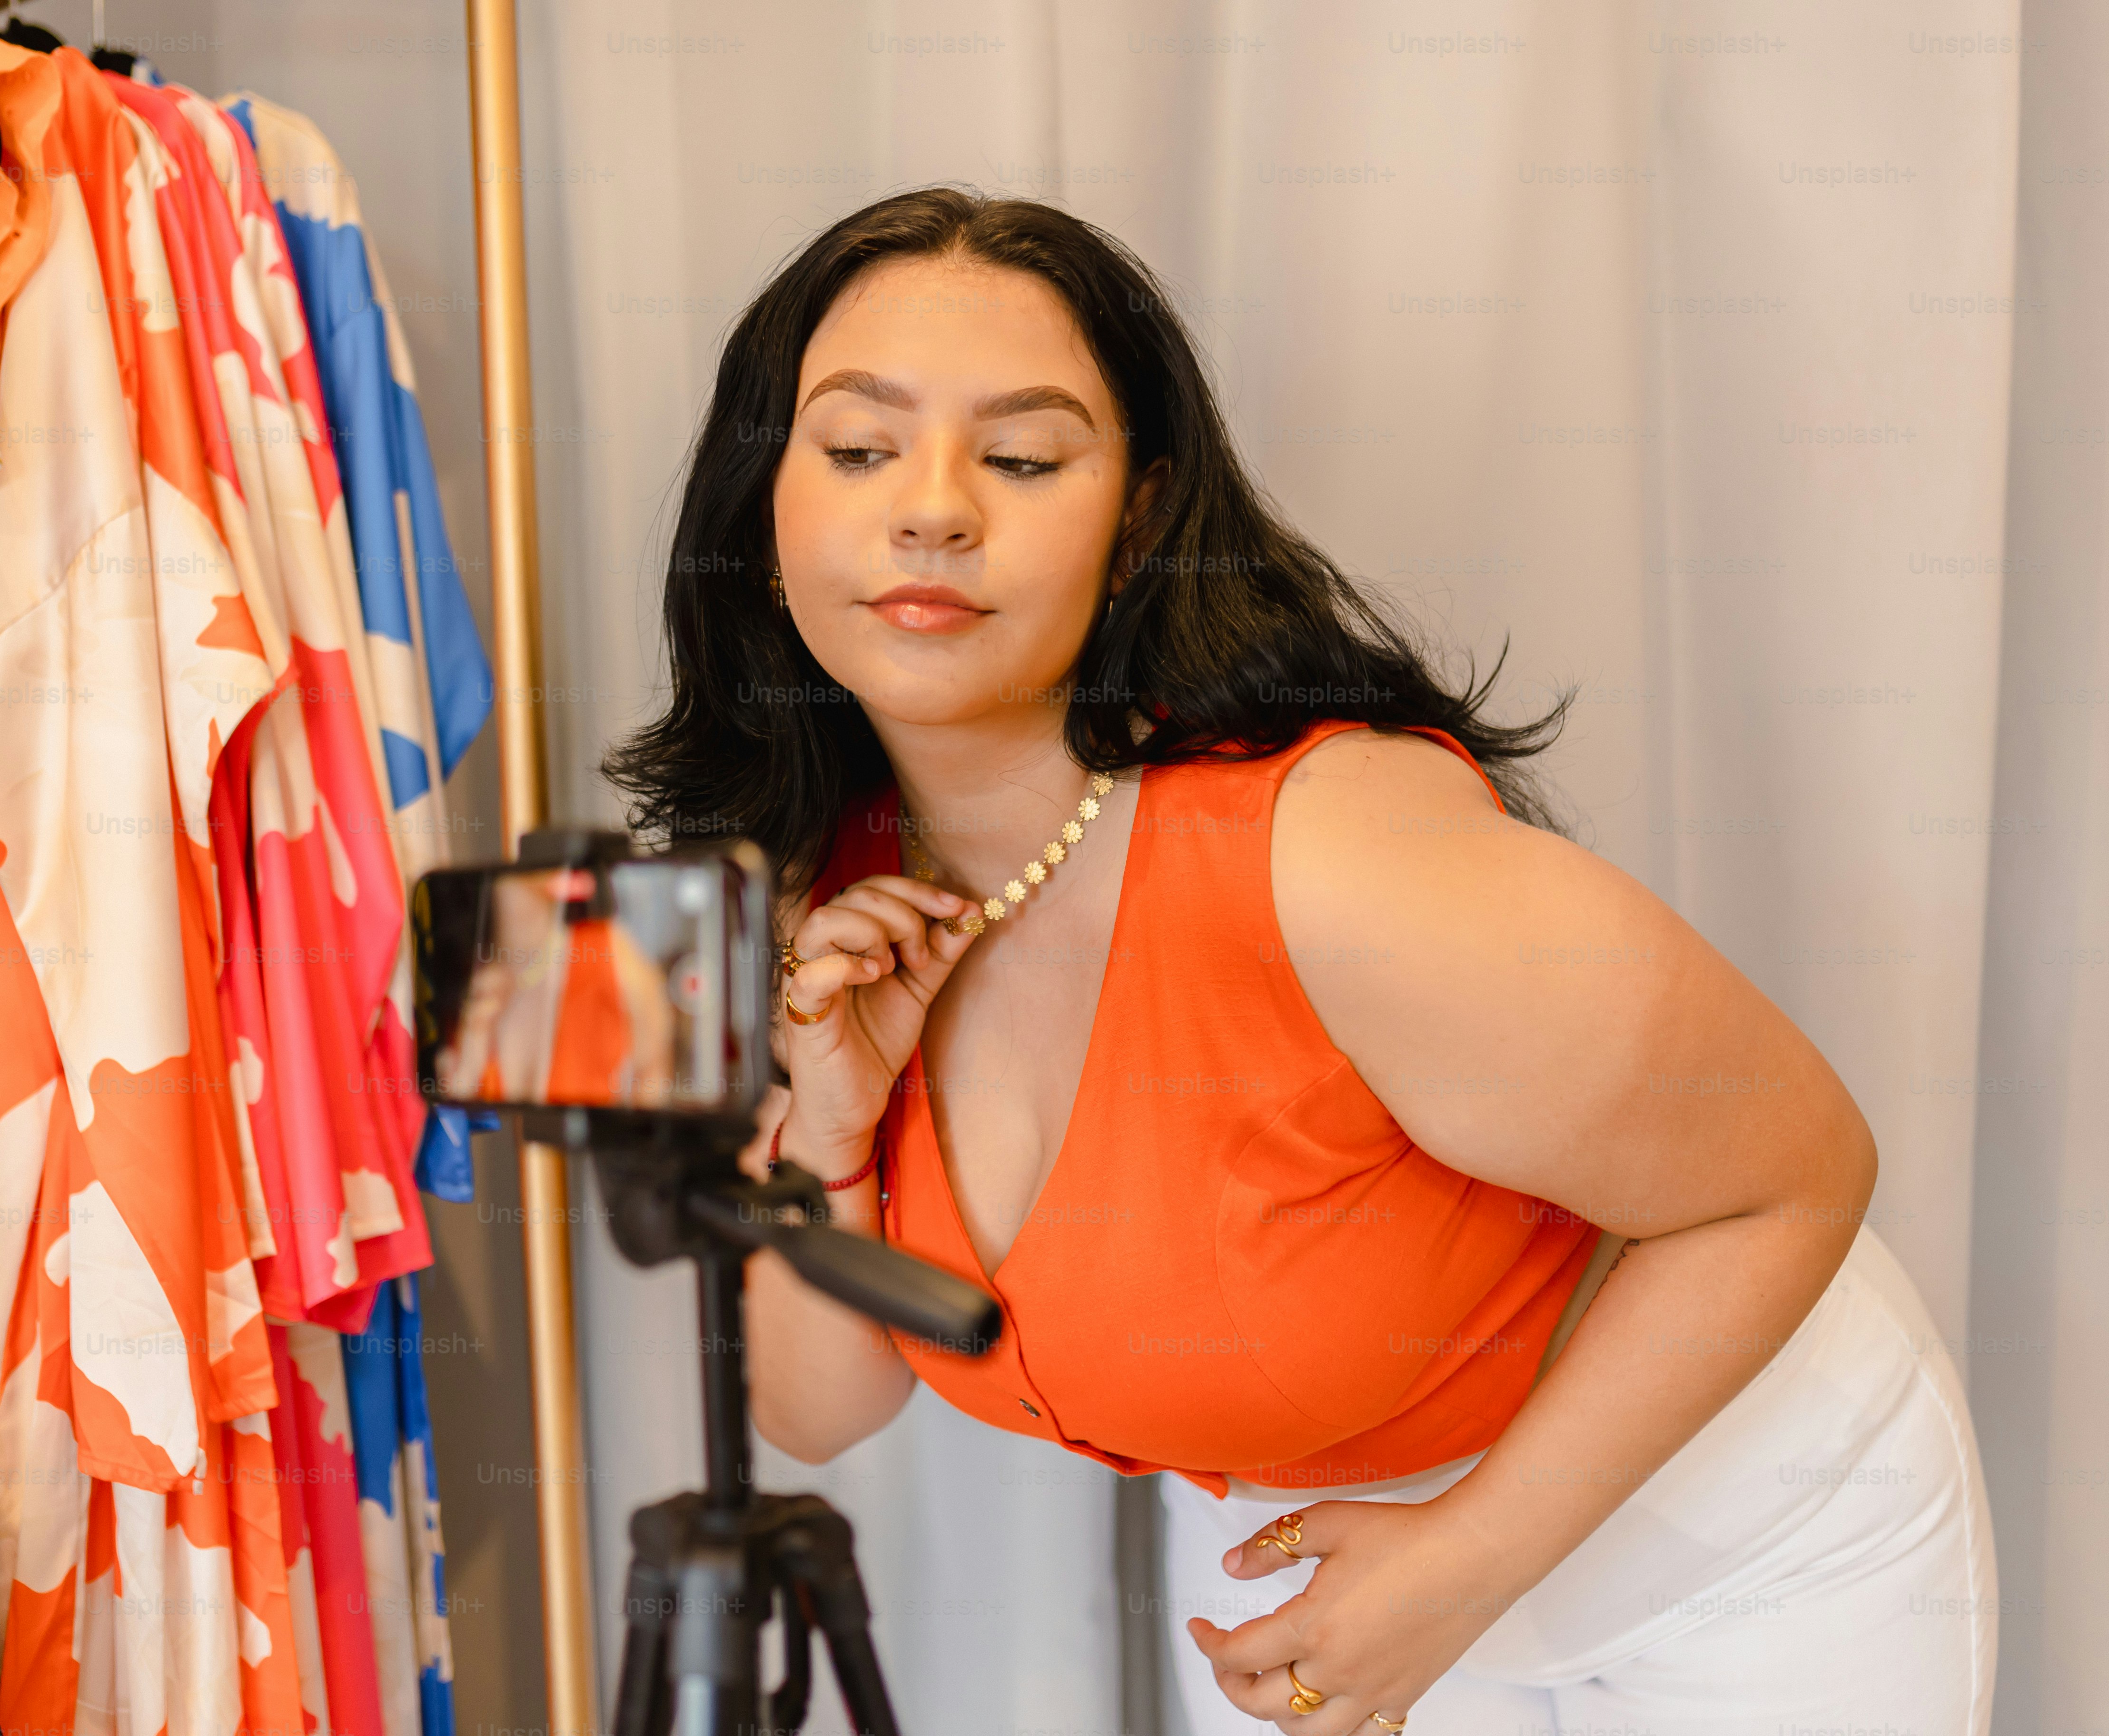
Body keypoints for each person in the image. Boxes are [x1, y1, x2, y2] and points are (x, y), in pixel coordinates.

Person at [603, 187, 1994, 1733]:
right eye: (859, 448)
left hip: (1738, 1542)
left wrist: (1467, 1563)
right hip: (1322, 1575)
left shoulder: (1332, 852)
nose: (932, 508)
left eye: (1020, 458)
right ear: (765, 502)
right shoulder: (810, 894)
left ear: (1137, 521)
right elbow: (816, 1409)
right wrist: (839, 1133)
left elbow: (1789, 1175)